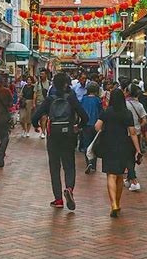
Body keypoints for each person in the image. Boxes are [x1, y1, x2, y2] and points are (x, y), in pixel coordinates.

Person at [32, 71, 88, 210]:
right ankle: (69, 188)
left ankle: (58, 199)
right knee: (69, 165)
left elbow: (36, 116)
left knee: (54, 167)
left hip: (53, 136)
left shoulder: (50, 99)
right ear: (66, 84)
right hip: (68, 135)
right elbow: (84, 117)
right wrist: (78, 126)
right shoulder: (71, 98)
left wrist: (36, 126)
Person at [94, 88, 142, 217]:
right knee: (120, 175)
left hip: (108, 145)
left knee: (111, 175)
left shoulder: (107, 112)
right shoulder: (127, 113)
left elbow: (97, 127)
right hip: (123, 145)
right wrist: (138, 150)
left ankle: (113, 204)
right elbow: (132, 133)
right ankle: (118, 203)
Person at [124, 83, 147, 191]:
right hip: (136, 134)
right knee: (132, 156)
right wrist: (138, 127)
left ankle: (134, 180)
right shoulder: (140, 105)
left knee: (128, 157)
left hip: (126, 133)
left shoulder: (124, 104)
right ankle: (129, 179)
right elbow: (144, 120)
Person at [80, 83, 103, 173]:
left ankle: (88, 162)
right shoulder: (98, 100)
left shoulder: (84, 99)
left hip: (86, 125)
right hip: (96, 124)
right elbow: (101, 112)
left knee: (86, 144)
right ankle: (93, 164)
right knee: (95, 144)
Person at [34, 70, 50, 138]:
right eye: (40, 74)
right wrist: (34, 103)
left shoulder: (49, 83)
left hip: (46, 104)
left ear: (46, 75)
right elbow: (35, 93)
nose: (41, 75)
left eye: (42, 74)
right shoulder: (37, 84)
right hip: (39, 103)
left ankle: (43, 132)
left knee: (44, 118)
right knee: (41, 118)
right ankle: (43, 131)